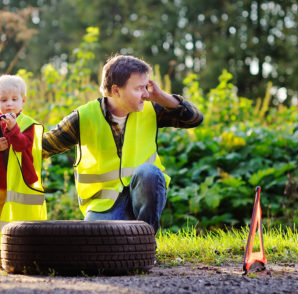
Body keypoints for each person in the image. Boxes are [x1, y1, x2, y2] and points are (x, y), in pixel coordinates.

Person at [42, 54, 203, 233]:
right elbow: (44, 146)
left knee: (149, 172)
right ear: (116, 91)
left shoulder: (151, 109)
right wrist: (12, 137)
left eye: (146, 87)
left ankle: (146, 242)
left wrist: (161, 96)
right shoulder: (84, 117)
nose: (145, 94)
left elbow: (195, 119)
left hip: (143, 194)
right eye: (138, 88)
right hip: (103, 205)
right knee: (96, 246)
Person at [0, 75, 46, 269]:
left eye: (14, 99)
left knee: (19, 220)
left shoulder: (28, 124)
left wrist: (13, 129)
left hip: (21, 183)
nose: (9, 104)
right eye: (4, 100)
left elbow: (22, 144)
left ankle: (24, 254)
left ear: (23, 101)